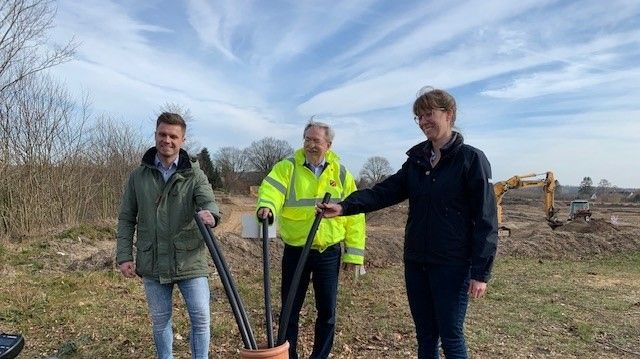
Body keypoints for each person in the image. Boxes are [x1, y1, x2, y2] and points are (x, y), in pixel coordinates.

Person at [318, 87, 498, 359]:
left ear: (448, 114)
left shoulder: (471, 160)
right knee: (425, 334)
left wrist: (480, 272)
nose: (424, 121)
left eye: (429, 114)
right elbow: (384, 191)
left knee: (451, 335)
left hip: (452, 263)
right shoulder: (417, 161)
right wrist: (344, 206)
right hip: (416, 261)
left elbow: (486, 218)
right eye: (419, 116)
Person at [256, 120, 366, 359]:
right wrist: (267, 206)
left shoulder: (342, 173)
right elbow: (271, 190)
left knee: (327, 310)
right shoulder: (288, 167)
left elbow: (355, 216)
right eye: (307, 139)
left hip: (328, 251)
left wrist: (354, 253)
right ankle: (289, 355)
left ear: (328, 144)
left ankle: (320, 356)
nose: (310, 145)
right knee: (290, 309)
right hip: (296, 250)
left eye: (316, 140)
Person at [116, 112, 220, 359]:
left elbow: (209, 202)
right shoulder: (138, 176)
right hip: (152, 261)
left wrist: (211, 215)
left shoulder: (195, 174)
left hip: (189, 260)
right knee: (160, 322)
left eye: (173, 136)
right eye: (162, 134)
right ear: (155, 136)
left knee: (201, 319)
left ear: (182, 140)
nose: (167, 140)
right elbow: (126, 218)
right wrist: (124, 256)